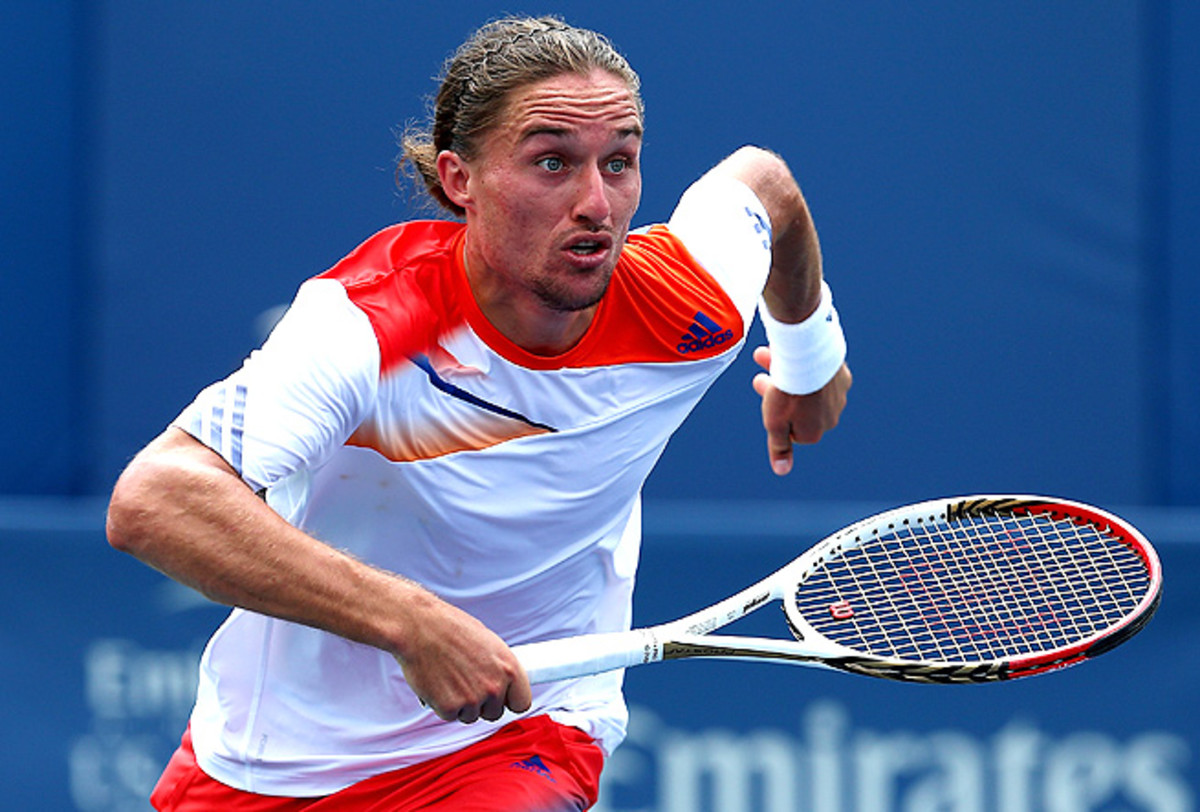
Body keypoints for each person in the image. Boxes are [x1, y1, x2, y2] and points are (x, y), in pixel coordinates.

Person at [106, 15, 851, 811]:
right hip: (272, 760)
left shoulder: (686, 304)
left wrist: (811, 360)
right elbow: (155, 500)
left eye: (621, 162)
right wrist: (409, 620)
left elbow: (765, 186)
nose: (597, 203)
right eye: (553, 163)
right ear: (460, 180)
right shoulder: (368, 326)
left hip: (525, 734)